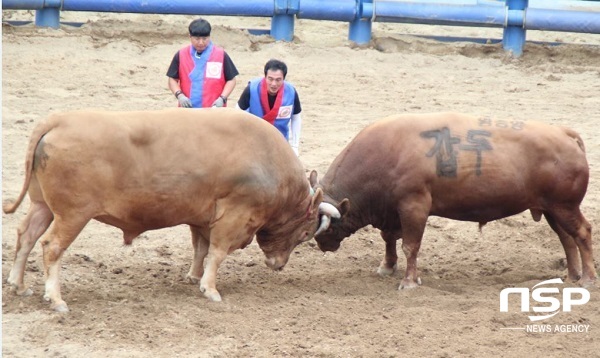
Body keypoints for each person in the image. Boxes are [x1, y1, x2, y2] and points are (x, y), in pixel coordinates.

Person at [167, 18, 238, 108]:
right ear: (190, 37)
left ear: (209, 36)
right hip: (188, 109)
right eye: (197, 39)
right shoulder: (181, 55)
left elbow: (231, 79)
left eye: (205, 38)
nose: (201, 43)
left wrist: (222, 98)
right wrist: (180, 95)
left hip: (213, 110)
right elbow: (172, 79)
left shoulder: (221, 55)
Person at [237, 59, 303, 156]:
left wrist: (295, 146)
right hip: (253, 142)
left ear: (284, 79)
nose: (273, 84)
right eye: (270, 79)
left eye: (278, 80)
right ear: (265, 77)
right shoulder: (252, 89)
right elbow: (238, 113)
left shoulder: (291, 92)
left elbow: (296, 118)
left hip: (280, 142)